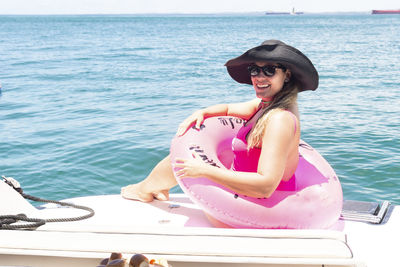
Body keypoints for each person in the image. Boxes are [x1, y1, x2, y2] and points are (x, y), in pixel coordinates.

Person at [121, 39, 319, 202]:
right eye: (254, 70)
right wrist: (202, 112)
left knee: (188, 161)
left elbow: (266, 186)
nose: (259, 77)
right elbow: (228, 109)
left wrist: (205, 171)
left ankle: (143, 190)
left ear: (287, 75)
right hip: (249, 191)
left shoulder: (279, 119)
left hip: (261, 202)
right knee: (194, 157)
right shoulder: (264, 106)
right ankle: (155, 187)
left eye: (269, 70)